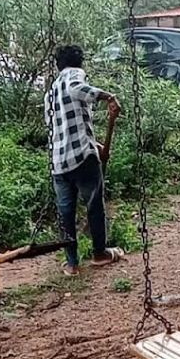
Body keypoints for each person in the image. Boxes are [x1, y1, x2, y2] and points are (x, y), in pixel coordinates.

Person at [47, 45, 124, 276]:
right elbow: (76, 88)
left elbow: (60, 127)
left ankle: (72, 264)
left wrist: (96, 144)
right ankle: (99, 253)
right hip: (82, 158)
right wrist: (107, 96)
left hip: (59, 162)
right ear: (79, 63)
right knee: (94, 206)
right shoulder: (73, 75)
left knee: (66, 213)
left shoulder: (50, 91)